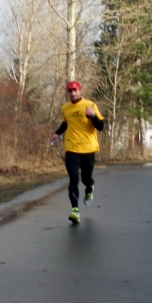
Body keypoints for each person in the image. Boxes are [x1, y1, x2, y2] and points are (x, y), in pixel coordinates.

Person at [50, 81, 104, 224]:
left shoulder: (90, 105)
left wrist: (93, 116)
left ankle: (90, 187)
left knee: (86, 178)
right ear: (67, 93)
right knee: (73, 178)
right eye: (70, 91)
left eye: (75, 90)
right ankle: (75, 210)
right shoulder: (65, 108)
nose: (73, 93)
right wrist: (57, 133)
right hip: (71, 148)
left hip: (88, 149)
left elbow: (100, 126)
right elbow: (66, 123)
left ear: (80, 90)